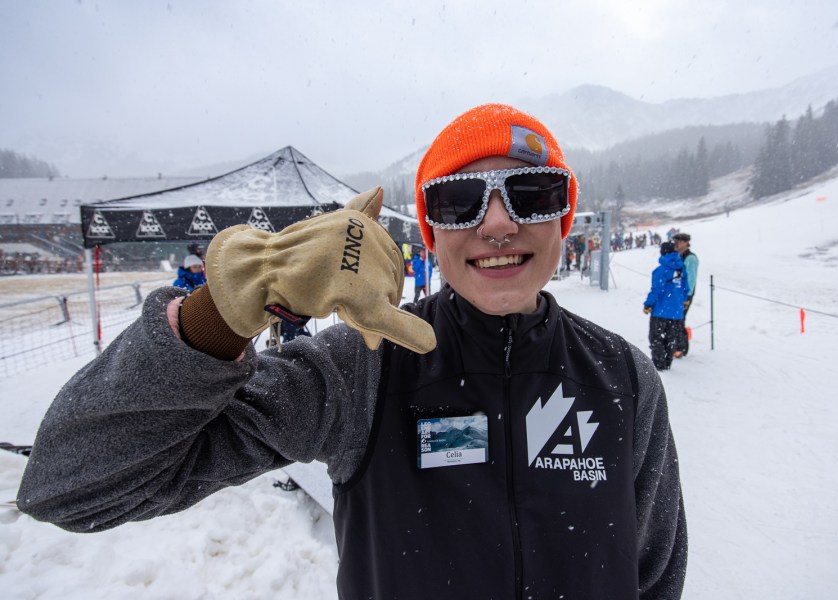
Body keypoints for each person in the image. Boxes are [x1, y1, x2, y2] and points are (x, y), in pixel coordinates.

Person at [17, 104, 687, 599]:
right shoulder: (363, 367)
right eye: (459, 201)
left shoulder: (624, 377)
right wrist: (216, 317)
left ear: (562, 218)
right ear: (429, 232)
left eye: (531, 193)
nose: (498, 223)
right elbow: (72, 487)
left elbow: (653, 577)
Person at [643, 242, 688, 371]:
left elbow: (656, 290)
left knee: (656, 338)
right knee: (670, 338)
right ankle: (668, 362)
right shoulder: (681, 268)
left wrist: (648, 304)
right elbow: (686, 288)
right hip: (676, 312)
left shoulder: (660, 270)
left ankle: (659, 364)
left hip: (660, 311)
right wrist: (683, 301)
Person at [672, 232, 699, 357]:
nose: (676, 244)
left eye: (678, 241)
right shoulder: (678, 255)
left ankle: (681, 348)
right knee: (675, 320)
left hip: (684, 295)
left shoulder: (690, 258)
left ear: (685, 242)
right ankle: (676, 345)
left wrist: (687, 296)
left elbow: (691, 279)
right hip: (676, 293)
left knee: (679, 320)